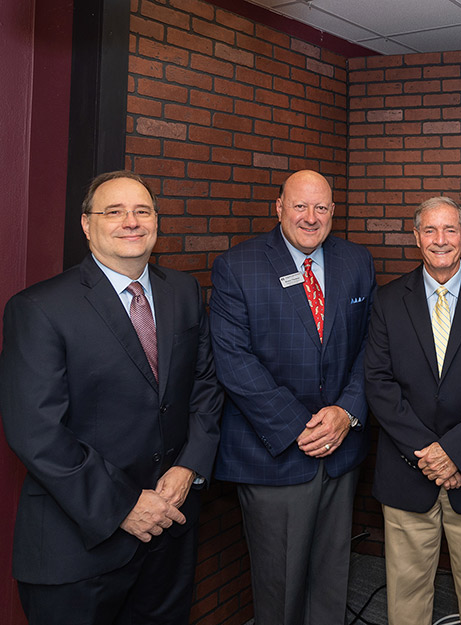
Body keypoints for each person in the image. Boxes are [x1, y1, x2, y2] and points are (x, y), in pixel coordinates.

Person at [0, 170, 223, 624]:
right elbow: (36, 431)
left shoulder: (182, 291)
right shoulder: (40, 308)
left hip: (170, 530)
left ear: (157, 222)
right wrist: (123, 505)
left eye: (142, 211)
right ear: (86, 224)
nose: (131, 221)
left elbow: (204, 385)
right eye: (114, 211)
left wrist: (189, 467)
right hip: (79, 548)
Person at [209, 169, 375, 625]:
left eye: (321, 207)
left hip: (341, 451)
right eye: (299, 206)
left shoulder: (357, 261)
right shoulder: (236, 266)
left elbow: (371, 347)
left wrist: (346, 411)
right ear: (278, 207)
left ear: (333, 212)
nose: (310, 217)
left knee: (330, 580)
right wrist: (301, 427)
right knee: (279, 590)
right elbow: (234, 361)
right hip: (274, 454)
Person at [364, 197, 461, 625]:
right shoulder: (388, 300)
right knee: (407, 599)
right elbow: (378, 383)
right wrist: (430, 453)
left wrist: (455, 452)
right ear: (416, 237)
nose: (440, 240)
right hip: (407, 472)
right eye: (430, 231)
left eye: (450, 230)